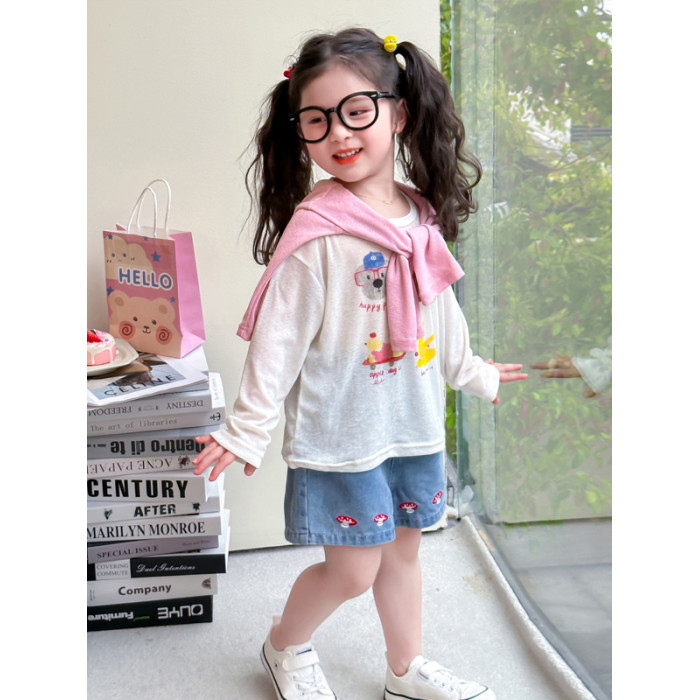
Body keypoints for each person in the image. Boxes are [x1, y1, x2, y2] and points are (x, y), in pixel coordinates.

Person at [193, 28, 526, 700]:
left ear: (397, 113)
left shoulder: (418, 214)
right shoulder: (317, 234)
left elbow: (438, 307)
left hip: (409, 425)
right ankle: (285, 645)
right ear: (301, 133)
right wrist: (247, 427)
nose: (339, 134)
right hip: (341, 436)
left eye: (355, 111)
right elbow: (278, 341)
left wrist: (470, 370)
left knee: (403, 551)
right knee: (352, 571)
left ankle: (404, 671)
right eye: (317, 120)